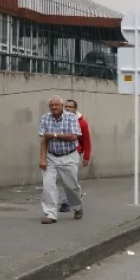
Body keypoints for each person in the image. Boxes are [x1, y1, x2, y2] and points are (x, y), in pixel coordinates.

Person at [38, 95, 83, 224]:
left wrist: (54, 135)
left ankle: (77, 207)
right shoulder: (45, 118)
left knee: (71, 186)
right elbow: (44, 139)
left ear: (62, 106)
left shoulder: (71, 117)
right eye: (51, 105)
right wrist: (42, 158)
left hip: (69, 156)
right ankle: (50, 214)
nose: (54, 107)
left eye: (56, 105)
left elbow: (73, 137)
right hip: (51, 156)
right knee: (48, 185)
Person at [59, 99, 91, 214]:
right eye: (66, 107)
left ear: (75, 109)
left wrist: (86, 157)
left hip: (75, 152)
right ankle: (75, 195)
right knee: (64, 179)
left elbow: (86, 140)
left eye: (70, 107)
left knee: (71, 178)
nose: (67, 109)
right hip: (61, 153)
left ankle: (66, 202)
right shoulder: (59, 120)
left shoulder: (82, 123)